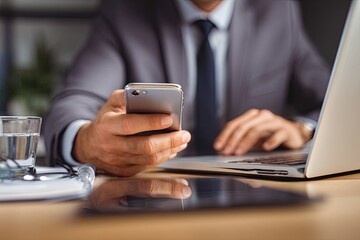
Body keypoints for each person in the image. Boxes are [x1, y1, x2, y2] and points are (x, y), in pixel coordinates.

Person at [44, 0, 330, 176]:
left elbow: (337, 104)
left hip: (258, 194)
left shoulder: (279, 9)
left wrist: (302, 128)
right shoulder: (124, 11)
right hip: (155, 200)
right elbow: (73, 102)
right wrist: (87, 143)